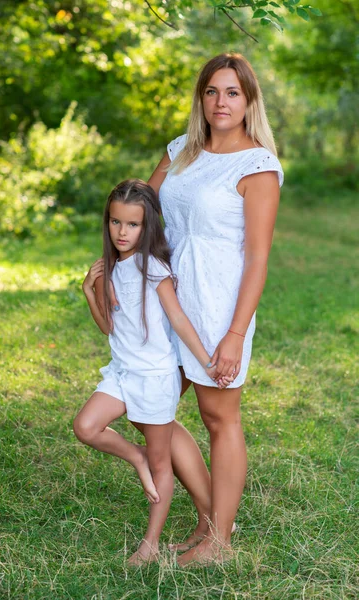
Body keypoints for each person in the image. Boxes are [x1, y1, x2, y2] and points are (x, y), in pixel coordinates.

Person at [142, 52, 284, 565]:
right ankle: (208, 517)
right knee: (148, 404)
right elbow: (142, 210)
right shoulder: (181, 150)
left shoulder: (257, 166)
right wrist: (109, 263)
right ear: (200, 98)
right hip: (166, 301)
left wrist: (234, 333)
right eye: (211, 91)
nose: (220, 102)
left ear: (248, 101)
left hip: (217, 306)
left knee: (218, 416)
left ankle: (219, 541)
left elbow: (258, 257)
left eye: (231, 93)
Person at [73, 179, 223, 566]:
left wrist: (208, 362)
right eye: (116, 223)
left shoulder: (151, 268)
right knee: (86, 427)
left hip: (154, 379)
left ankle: (150, 543)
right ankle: (136, 457)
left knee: (162, 465)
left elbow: (179, 319)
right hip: (122, 374)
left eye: (133, 225)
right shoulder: (112, 268)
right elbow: (109, 327)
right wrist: (91, 292)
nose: (122, 232)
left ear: (147, 227)